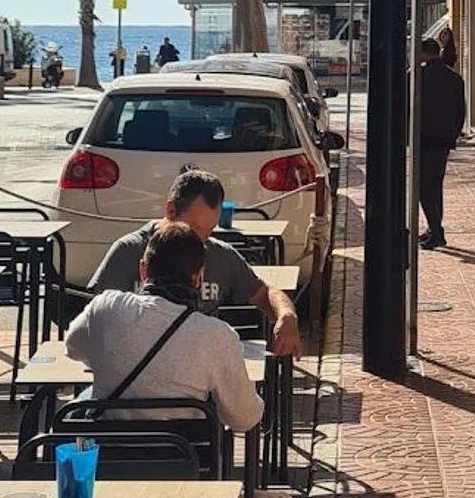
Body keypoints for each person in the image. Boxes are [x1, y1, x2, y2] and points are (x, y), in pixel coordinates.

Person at [66, 221, 261, 431]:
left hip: (109, 447)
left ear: (143, 270)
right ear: (198, 277)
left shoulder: (106, 307)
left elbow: (73, 349)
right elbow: (244, 419)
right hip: (184, 450)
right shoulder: (218, 336)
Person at [89, 169, 301, 356]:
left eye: (209, 231)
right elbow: (98, 319)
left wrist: (286, 314)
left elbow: (264, 293)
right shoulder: (128, 251)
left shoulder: (219, 254)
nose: (200, 240)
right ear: (170, 211)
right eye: (194, 229)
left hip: (200, 367)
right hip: (139, 364)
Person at [418, 36, 465, 250]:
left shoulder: (416, 77)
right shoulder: (455, 78)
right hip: (443, 140)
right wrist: (452, 135)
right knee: (435, 185)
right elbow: (461, 112)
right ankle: (434, 227)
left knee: (424, 188)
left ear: (423, 54)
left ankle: (436, 231)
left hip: (423, 139)